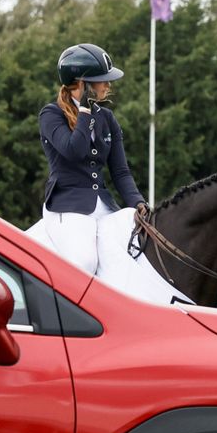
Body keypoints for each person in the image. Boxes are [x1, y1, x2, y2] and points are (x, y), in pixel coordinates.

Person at [38, 43, 147, 274]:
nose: (108, 84)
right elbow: (73, 150)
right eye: (102, 79)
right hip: (67, 207)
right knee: (85, 262)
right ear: (82, 83)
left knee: (140, 251)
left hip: (104, 205)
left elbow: (120, 171)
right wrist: (85, 112)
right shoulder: (51, 114)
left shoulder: (107, 117)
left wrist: (138, 203)